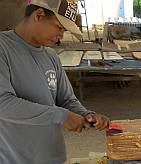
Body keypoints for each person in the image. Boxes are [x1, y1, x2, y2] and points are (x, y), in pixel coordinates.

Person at [0, 0, 110, 163]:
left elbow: (66, 100)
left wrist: (87, 115)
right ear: (39, 15)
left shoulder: (51, 56)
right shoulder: (3, 48)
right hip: (16, 158)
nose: (61, 36)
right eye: (59, 27)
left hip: (54, 156)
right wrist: (60, 115)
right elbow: (3, 103)